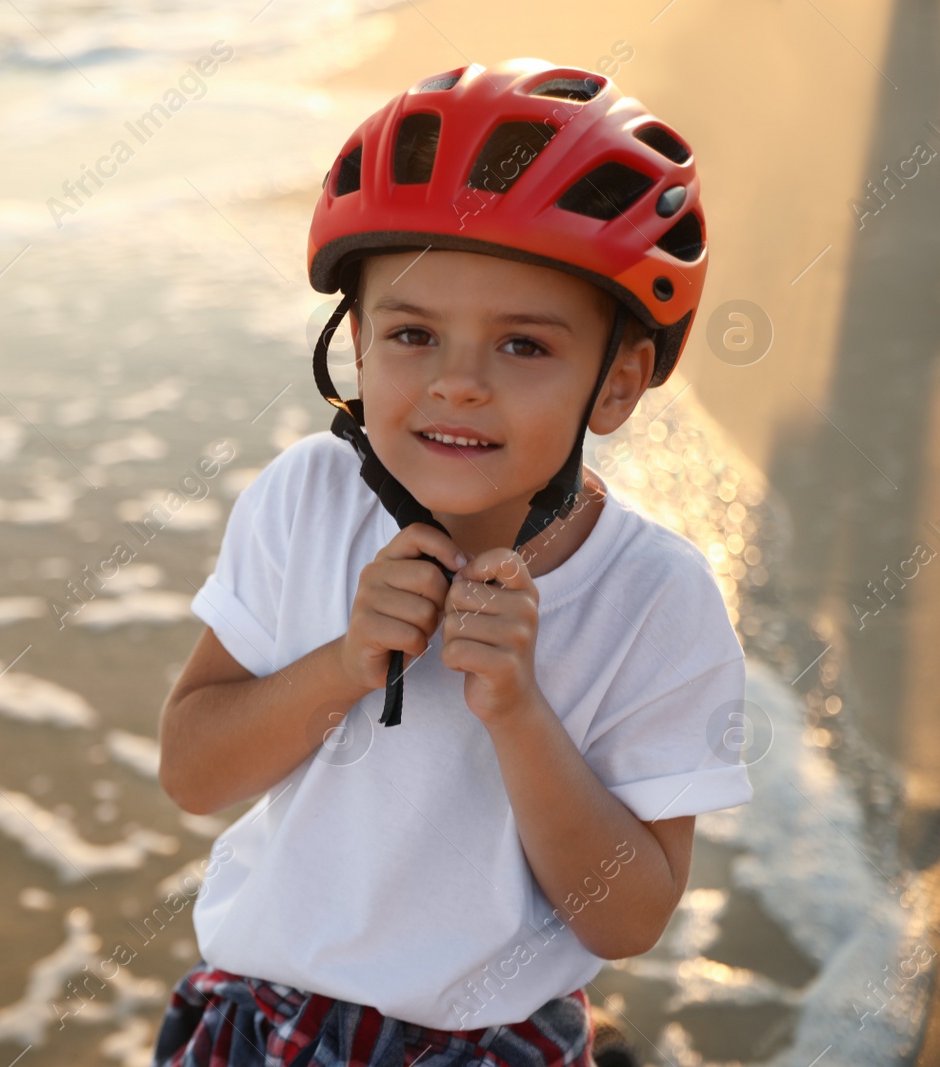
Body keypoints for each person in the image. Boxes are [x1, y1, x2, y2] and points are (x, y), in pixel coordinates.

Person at [152, 57, 753, 1067]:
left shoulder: (656, 597)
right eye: (412, 333)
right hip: (261, 1022)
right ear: (351, 343)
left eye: (522, 345)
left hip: (489, 1045)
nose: (457, 385)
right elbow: (192, 769)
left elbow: (628, 916)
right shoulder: (305, 498)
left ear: (620, 379)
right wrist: (344, 660)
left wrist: (518, 709)